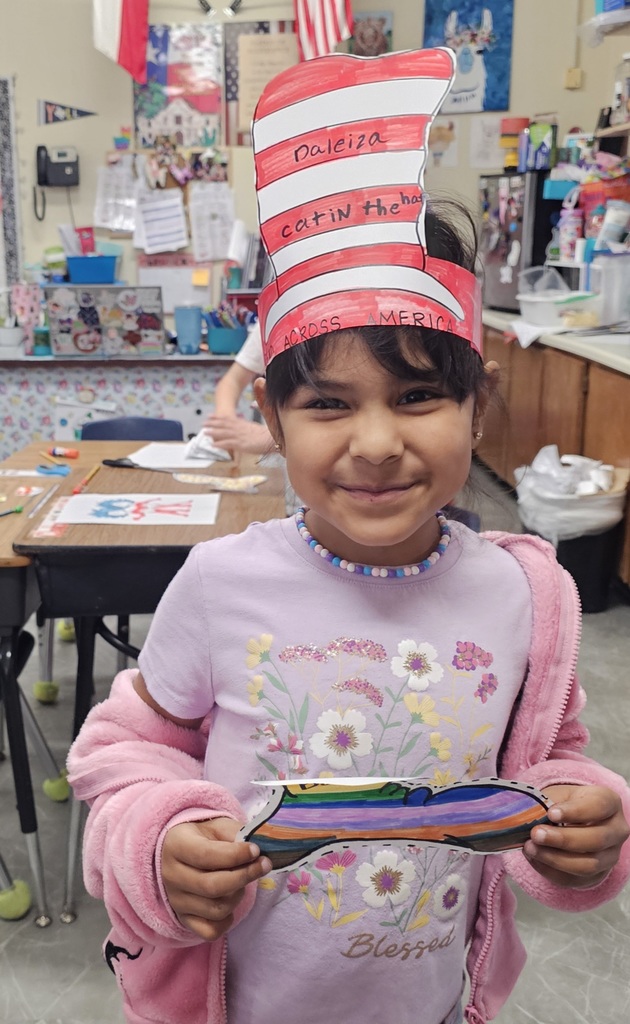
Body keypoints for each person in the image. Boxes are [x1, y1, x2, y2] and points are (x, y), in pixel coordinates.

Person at [67, 48, 630, 1024]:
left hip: (432, 1002)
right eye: (329, 404)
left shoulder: (525, 597)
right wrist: (156, 841)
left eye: (418, 396)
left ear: (477, 409)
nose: (377, 442)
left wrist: (584, 815)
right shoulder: (219, 581)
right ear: (274, 424)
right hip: (239, 1002)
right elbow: (128, 750)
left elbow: (553, 753)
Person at [204, 322, 271, 455]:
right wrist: (226, 422)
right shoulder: (269, 321)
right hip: (278, 464)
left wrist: (270, 439)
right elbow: (232, 381)